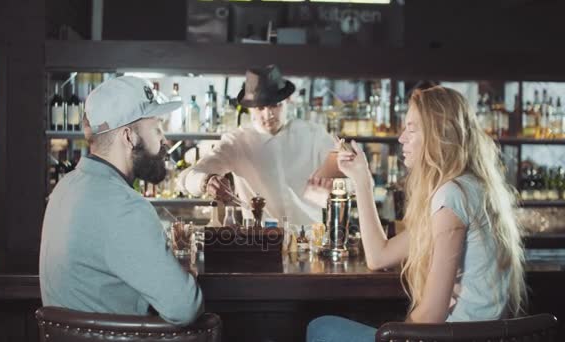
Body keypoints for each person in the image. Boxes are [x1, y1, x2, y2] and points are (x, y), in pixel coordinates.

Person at [307, 86, 527, 341]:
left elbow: (432, 314)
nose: (401, 138)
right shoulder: (473, 188)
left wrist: (399, 333)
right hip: (473, 336)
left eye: (412, 129)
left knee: (321, 327)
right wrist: (362, 180)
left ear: (439, 136)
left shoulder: (453, 195)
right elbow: (379, 257)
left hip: (452, 337)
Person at [39, 76, 204, 326]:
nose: (164, 140)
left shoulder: (65, 187)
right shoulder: (125, 207)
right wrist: (181, 272)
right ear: (129, 137)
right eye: (157, 128)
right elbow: (186, 308)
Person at [178, 65, 334, 225]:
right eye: (260, 108)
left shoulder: (314, 135)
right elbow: (184, 179)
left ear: (287, 101)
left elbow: (351, 178)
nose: (268, 115)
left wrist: (335, 183)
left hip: (310, 239)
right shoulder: (236, 142)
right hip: (260, 241)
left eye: (275, 105)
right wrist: (206, 181)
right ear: (250, 109)